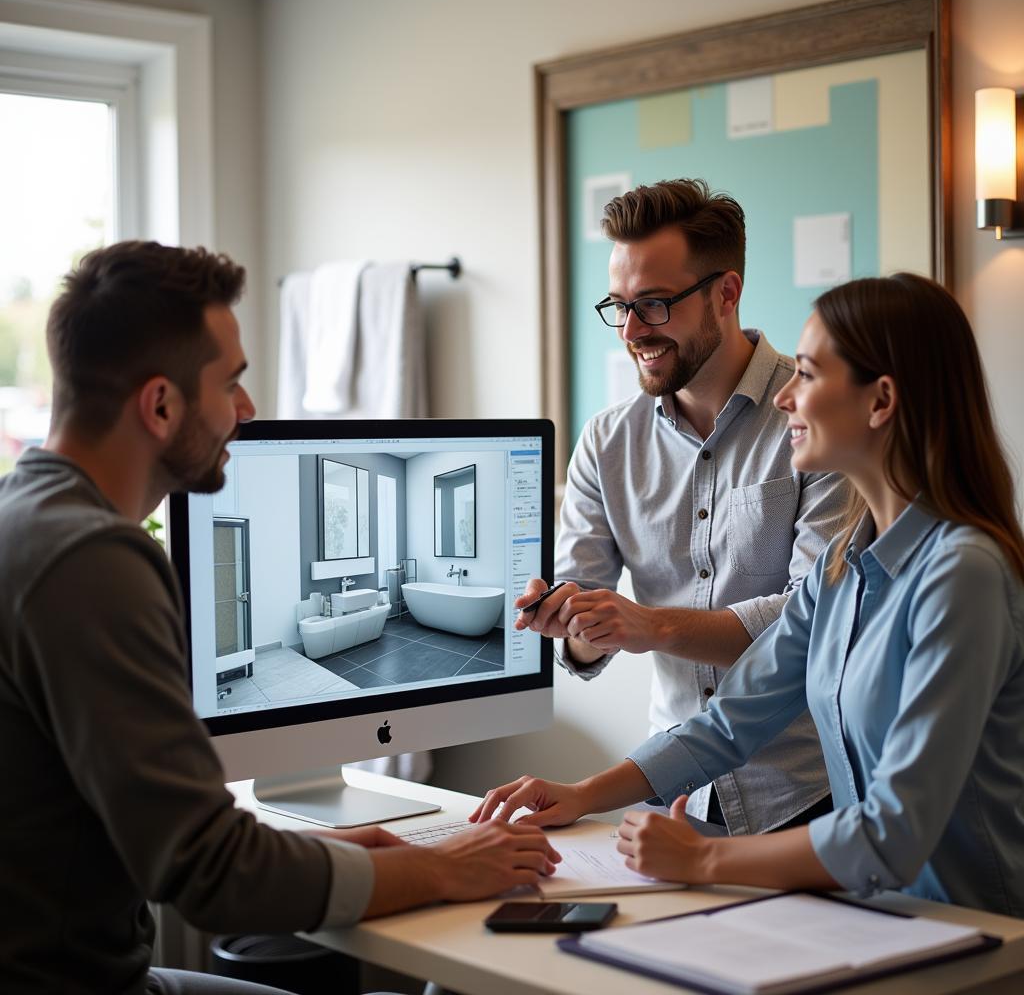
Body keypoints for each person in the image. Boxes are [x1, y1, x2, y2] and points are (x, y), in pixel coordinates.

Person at [0, 241, 560, 995]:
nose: (247, 409)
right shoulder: (94, 559)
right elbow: (210, 872)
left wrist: (367, 856)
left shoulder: (27, 515)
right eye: (230, 382)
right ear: (160, 405)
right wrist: (437, 866)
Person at [474, 274, 1024, 917]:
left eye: (810, 375)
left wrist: (701, 861)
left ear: (880, 402)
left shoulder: (964, 576)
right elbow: (731, 721)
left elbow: (890, 836)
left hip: (977, 936)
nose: (786, 396)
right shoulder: (844, 566)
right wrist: (585, 793)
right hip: (882, 921)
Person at [514, 179, 847, 834]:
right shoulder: (608, 441)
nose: (633, 331)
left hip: (811, 799)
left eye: (656, 304)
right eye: (619, 306)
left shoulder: (816, 419)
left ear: (726, 292)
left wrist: (651, 625)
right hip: (671, 795)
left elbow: (816, 621)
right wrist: (572, 620)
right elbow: (588, 641)